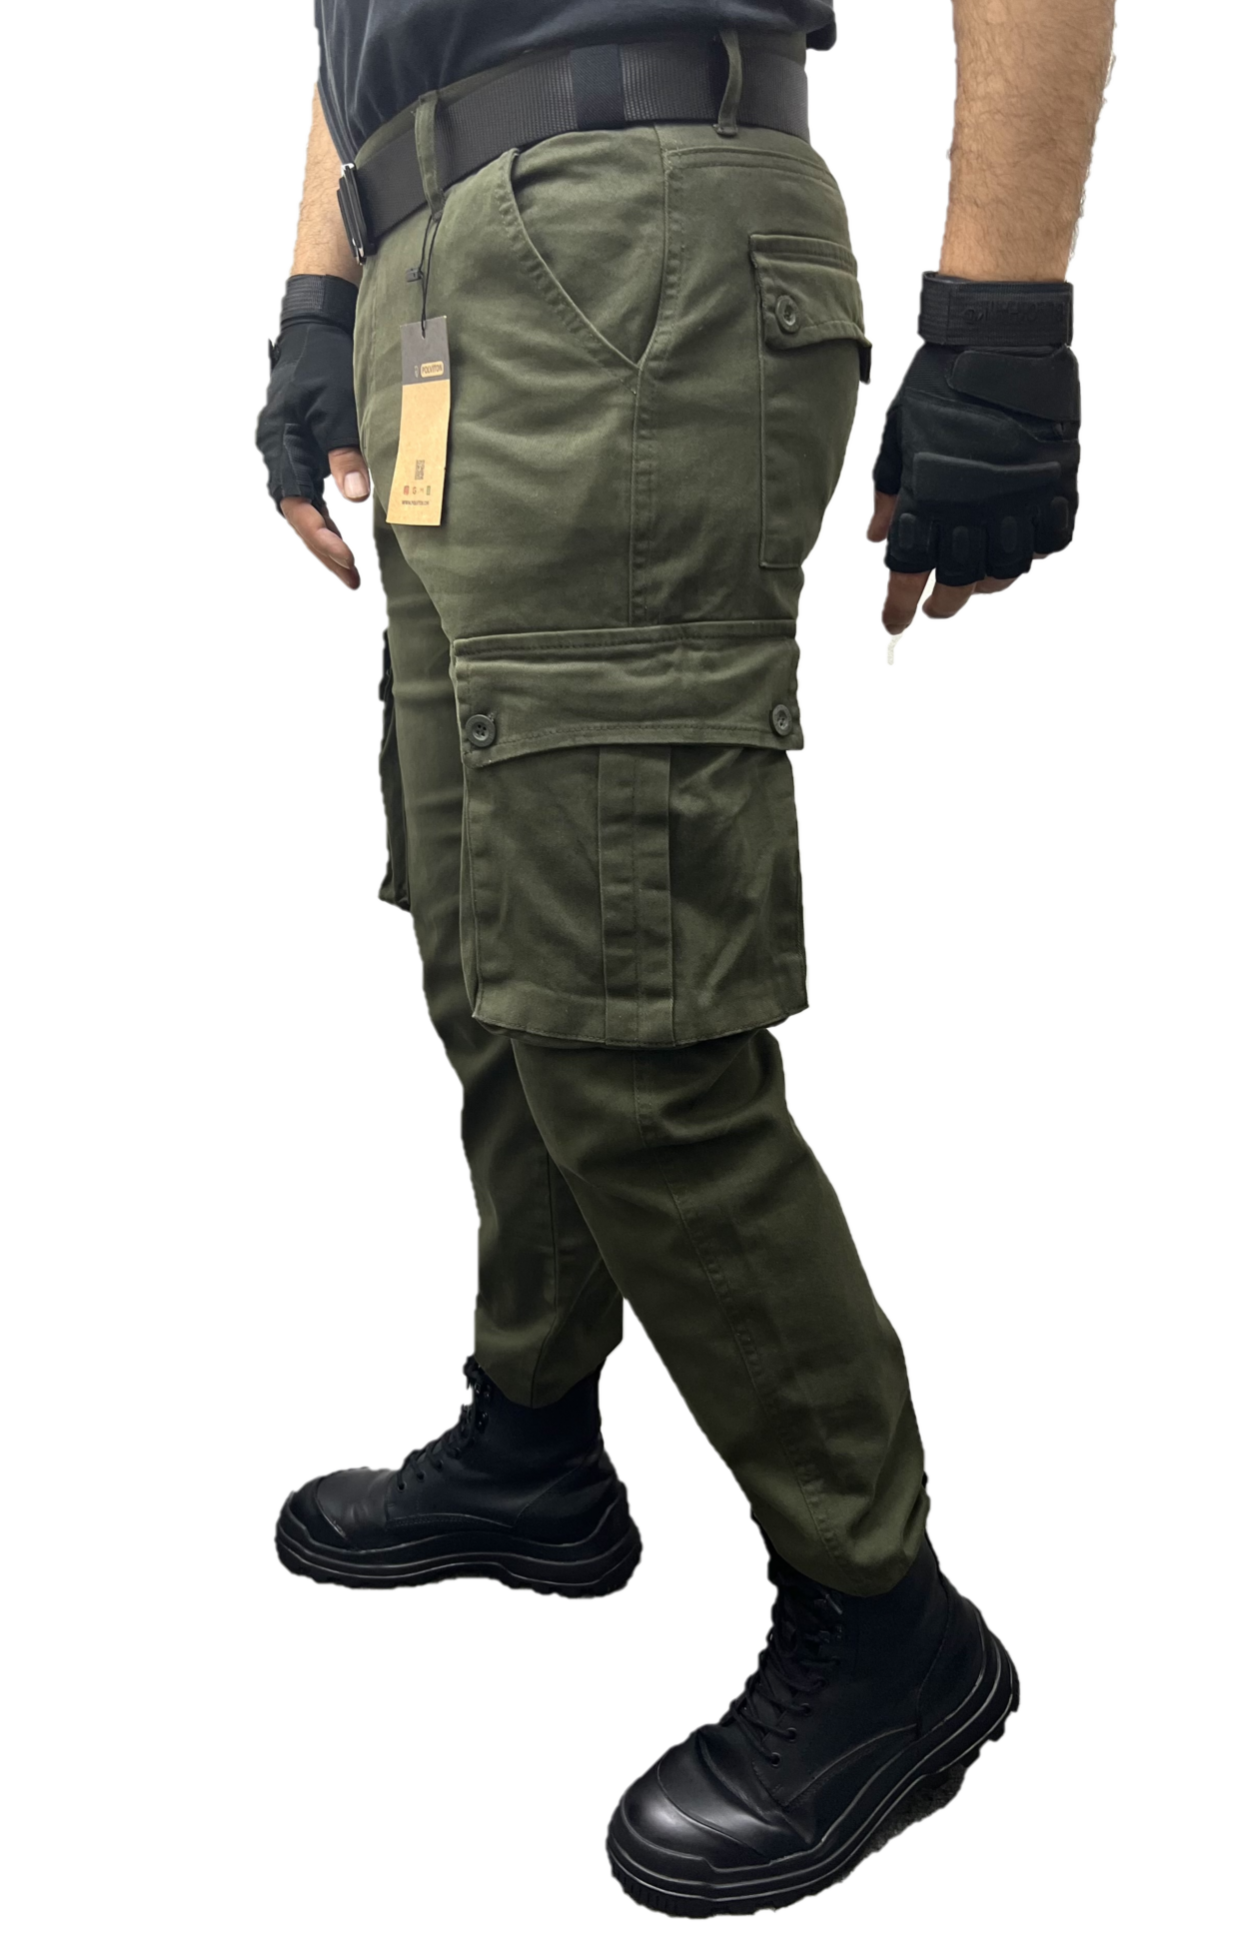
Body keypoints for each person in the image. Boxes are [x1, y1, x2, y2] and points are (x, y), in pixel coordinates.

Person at [260, 1, 1118, 1919]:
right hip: (429, 289)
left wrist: (1002, 314)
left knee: (619, 1009)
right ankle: (533, 1446)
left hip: (615, 242)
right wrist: (320, 301)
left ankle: (886, 1622)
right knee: (481, 944)